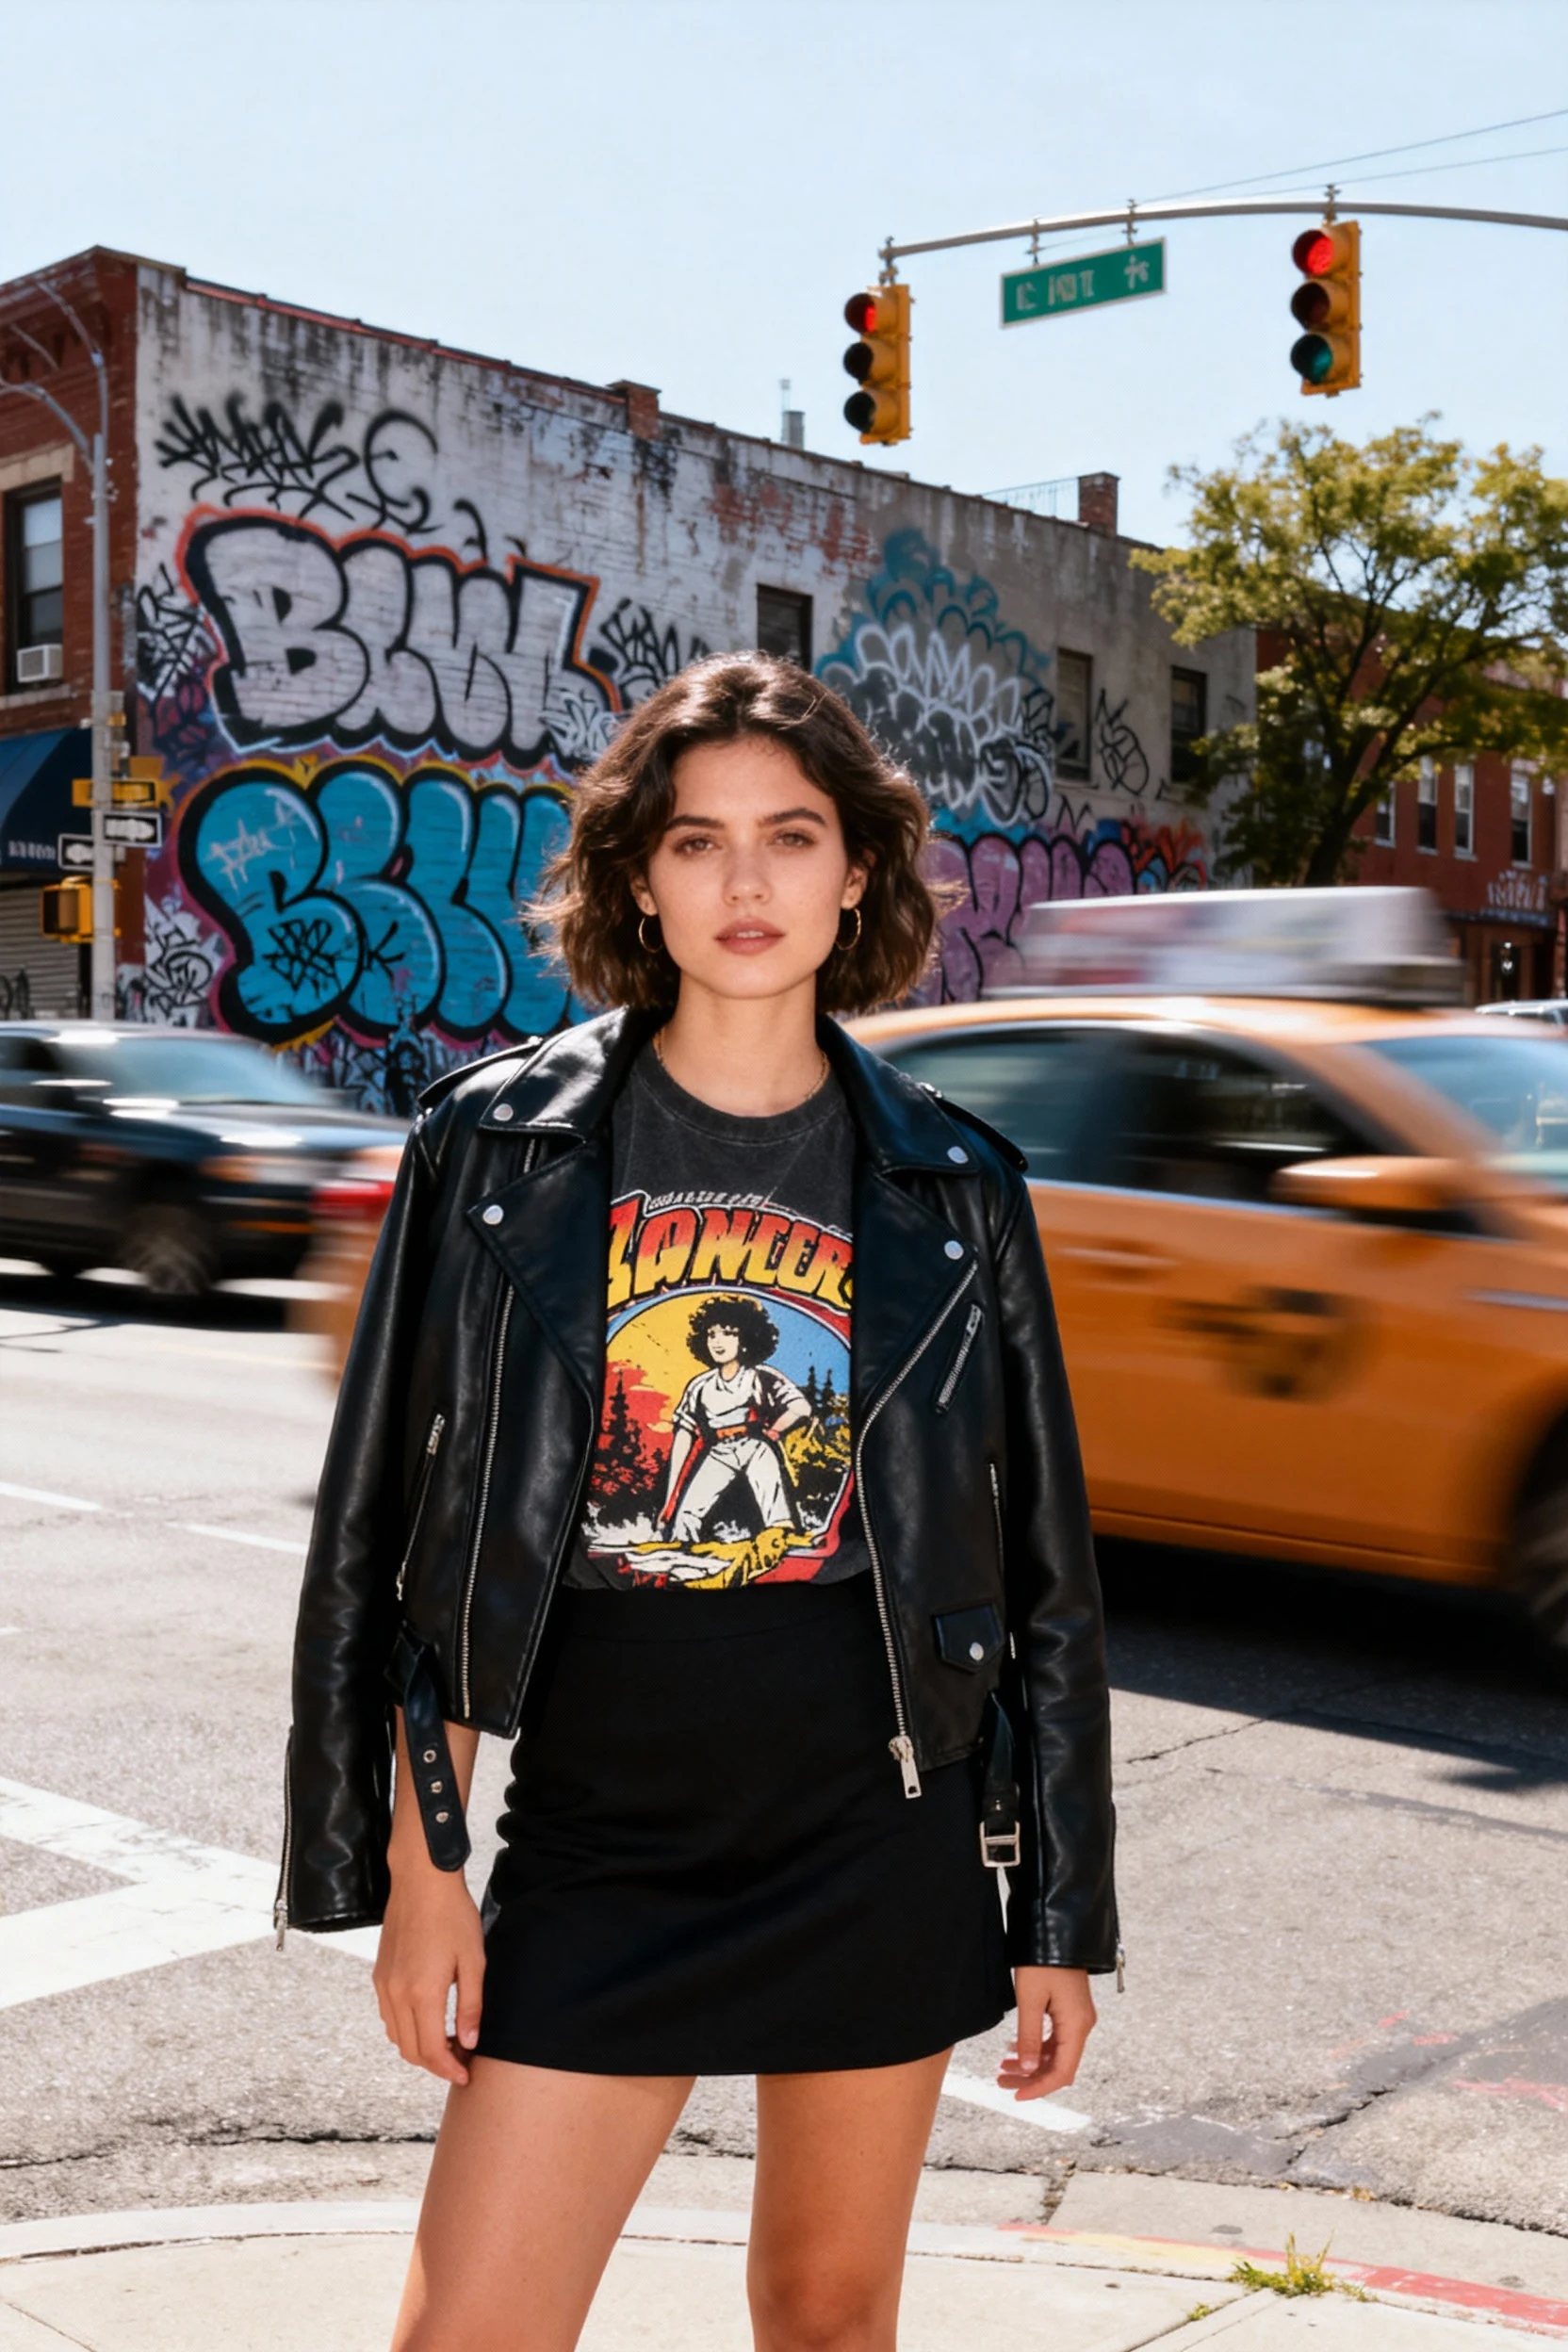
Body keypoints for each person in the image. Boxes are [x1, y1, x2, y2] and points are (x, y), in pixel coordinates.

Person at [279, 651, 1119, 2352]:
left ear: (858, 870)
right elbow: (386, 1532)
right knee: (473, 2334)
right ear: (636, 879)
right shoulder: (496, 1149)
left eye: (791, 837)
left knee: (823, 2316)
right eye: (695, 840)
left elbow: (1043, 1579)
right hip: (604, 1825)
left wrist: (1057, 1913)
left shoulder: (957, 1184)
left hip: (877, 1826)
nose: (746, 882)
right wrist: (420, 1867)